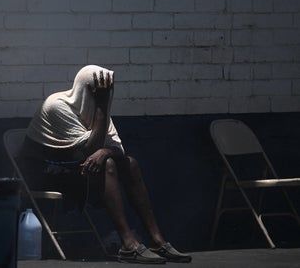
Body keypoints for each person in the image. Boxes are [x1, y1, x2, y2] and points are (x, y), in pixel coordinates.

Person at [20, 65, 191, 264]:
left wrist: (105, 150)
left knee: (130, 163)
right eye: (101, 92)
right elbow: (88, 151)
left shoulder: (97, 109)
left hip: (74, 168)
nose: (106, 97)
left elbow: (117, 149)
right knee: (108, 164)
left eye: (108, 92)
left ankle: (157, 240)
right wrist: (101, 107)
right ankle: (128, 244)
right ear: (87, 89)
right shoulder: (57, 105)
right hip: (46, 173)